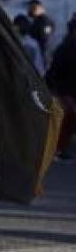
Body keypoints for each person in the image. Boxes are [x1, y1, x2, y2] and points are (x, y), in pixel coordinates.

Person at [46, 14, 76, 160]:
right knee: (67, 119)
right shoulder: (67, 47)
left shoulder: (66, 46)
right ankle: (57, 149)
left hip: (66, 89)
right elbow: (56, 72)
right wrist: (62, 93)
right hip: (65, 90)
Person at [28, 0, 55, 68]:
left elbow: (45, 40)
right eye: (30, 8)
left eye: (34, 8)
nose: (31, 10)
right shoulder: (35, 21)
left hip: (42, 56)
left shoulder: (45, 22)